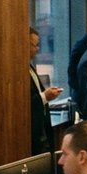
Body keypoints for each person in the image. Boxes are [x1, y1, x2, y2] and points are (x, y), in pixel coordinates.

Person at [28, 28, 60, 156]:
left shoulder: (29, 66)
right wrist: (44, 96)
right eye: (35, 45)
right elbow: (25, 103)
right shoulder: (19, 70)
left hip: (42, 129)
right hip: (32, 132)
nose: (37, 49)